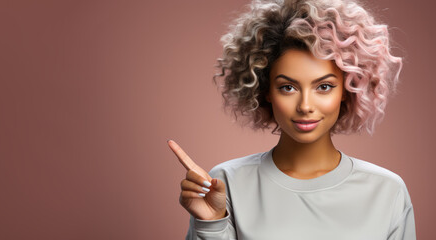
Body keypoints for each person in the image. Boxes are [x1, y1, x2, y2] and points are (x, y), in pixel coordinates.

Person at [167, 0, 416, 239]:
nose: (305, 106)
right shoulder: (226, 182)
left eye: (324, 87)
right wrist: (211, 225)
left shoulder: (386, 190)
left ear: (347, 89)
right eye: (288, 87)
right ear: (265, 91)